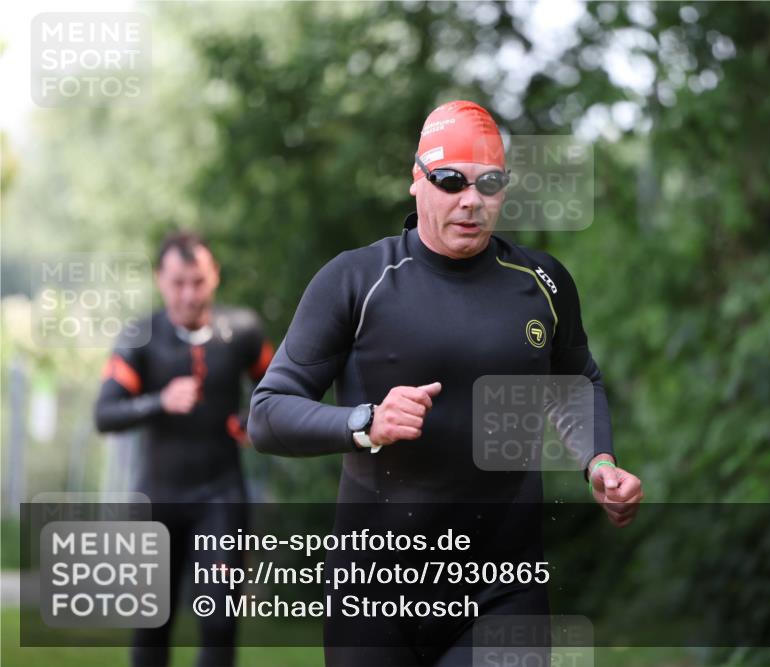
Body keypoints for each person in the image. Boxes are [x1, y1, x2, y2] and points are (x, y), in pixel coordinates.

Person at [248, 100, 643, 666]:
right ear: (417, 180)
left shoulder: (543, 283)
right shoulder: (357, 280)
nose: (471, 200)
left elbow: (575, 380)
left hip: (504, 590)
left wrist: (599, 462)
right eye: (451, 181)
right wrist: (366, 423)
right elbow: (268, 413)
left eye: (489, 184)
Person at [95, 231, 274, 667]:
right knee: (151, 627)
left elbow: (279, 389)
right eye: (178, 283)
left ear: (215, 277)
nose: (189, 295)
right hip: (158, 498)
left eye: (198, 282)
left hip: (221, 497)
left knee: (219, 623)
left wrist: (256, 420)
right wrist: (160, 400)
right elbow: (105, 413)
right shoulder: (141, 337)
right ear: (160, 279)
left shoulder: (243, 331)